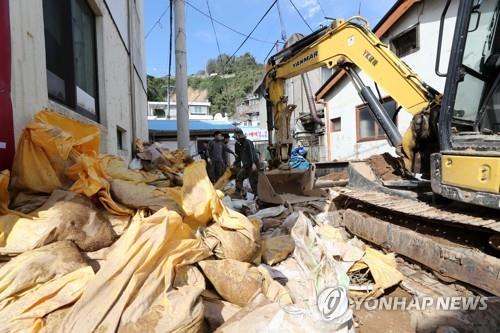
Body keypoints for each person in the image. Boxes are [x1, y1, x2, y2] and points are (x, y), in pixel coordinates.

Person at [233, 128, 259, 198]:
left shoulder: (248, 142)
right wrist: (234, 164)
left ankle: (257, 196)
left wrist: (253, 163)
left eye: (237, 137)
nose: (236, 139)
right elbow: (238, 157)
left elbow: (251, 153)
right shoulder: (237, 144)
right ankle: (238, 193)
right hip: (246, 165)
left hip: (253, 164)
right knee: (239, 177)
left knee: (253, 181)